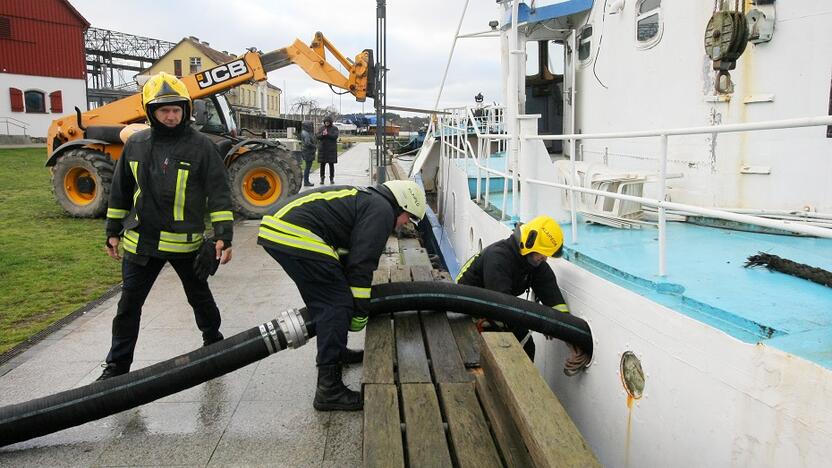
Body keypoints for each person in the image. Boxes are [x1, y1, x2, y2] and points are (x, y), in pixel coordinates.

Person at [98, 72, 234, 380]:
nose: (171, 116)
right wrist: (112, 232)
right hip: (141, 244)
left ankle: (215, 346)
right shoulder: (135, 145)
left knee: (200, 299)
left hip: (185, 245)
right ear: (151, 112)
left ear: (186, 110)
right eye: (164, 110)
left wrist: (223, 237)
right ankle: (116, 368)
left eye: (176, 110)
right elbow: (120, 191)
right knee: (128, 308)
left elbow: (220, 195)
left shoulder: (202, 147)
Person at [257, 180, 426, 411]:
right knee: (335, 304)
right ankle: (328, 390)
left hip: (281, 228)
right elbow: (361, 264)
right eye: (410, 217)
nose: (407, 224)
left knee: (328, 300)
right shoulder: (382, 211)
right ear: (403, 205)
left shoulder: (371, 201)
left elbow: (349, 253)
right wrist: (359, 311)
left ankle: (337, 353)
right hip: (293, 232)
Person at [456, 215, 578, 363]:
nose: (545, 258)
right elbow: (502, 306)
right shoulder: (498, 258)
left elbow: (554, 299)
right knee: (520, 347)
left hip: (495, 308)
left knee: (526, 346)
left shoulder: (534, 264)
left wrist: (571, 337)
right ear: (529, 243)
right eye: (543, 253)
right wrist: (543, 323)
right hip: (465, 311)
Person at [317, 115, 339, 184]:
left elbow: (335, 136)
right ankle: (322, 179)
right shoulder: (321, 128)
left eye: (328, 122)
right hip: (323, 150)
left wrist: (327, 134)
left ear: (330, 122)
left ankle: (331, 178)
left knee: (331, 165)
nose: (326, 123)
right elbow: (317, 136)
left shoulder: (334, 128)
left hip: (331, 150)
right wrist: (323, 135)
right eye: (325, 122)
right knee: (322, 165)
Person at [300, 121, 316, 187]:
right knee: (308, 167)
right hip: (308, 152)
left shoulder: (305, 132)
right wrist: (314, 146)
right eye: (311, 125)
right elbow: (307, 143)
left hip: (308, 151)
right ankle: (306, 182)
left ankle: (306, 181)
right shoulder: (306, 133)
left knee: (308, 167)